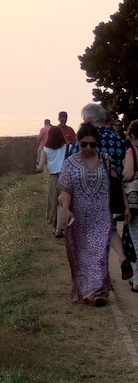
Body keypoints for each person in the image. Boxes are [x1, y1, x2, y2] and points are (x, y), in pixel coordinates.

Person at [58, 123, 123, 305]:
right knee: (83, 255)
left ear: (97, 144)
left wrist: (124, 207)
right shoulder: (70, 163)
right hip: (79, 218)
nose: (88, 148)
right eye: (84, 144)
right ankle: (91, 291)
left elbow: (116, 187)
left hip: (102, 215)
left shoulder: (106, 160)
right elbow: (65, 191)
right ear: (77, 142)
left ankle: (97, 292)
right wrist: (66, 209)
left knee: (100, 254)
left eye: (92, 144)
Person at [37, 126, 67, 237]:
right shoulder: (66, 147)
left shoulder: (46, 149)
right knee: (63, 202)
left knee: (53, 202)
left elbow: (40, 167)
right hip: (65, 177)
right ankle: (60, 228)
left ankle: (55, 226)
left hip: (53, 177)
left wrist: (36, 168)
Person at [122, 120, 138, 291]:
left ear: (133, 136)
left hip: (136, 203)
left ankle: (137, 282)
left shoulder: (132, 151)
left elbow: (128, 175)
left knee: (137, 241)